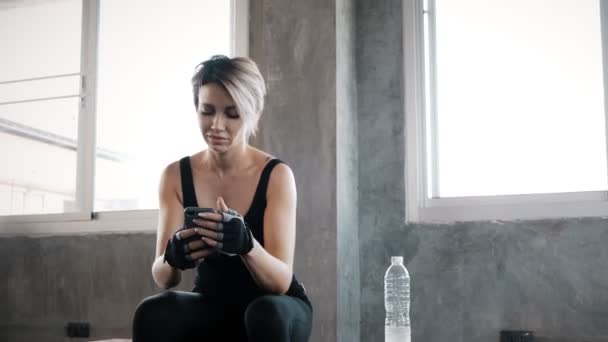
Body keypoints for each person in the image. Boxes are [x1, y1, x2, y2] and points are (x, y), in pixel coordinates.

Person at [132, 55, 313, 342]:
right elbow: (164, 277)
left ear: (252, 113)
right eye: (207, 111)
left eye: (232, 113)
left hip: (277, 308)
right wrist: (172, 255)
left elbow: (280, 281)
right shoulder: (174, 176)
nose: (217, 125)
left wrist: (247, 245)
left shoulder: (277, 175)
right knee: (153, 312)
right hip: (213, 303)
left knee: (264, 312)